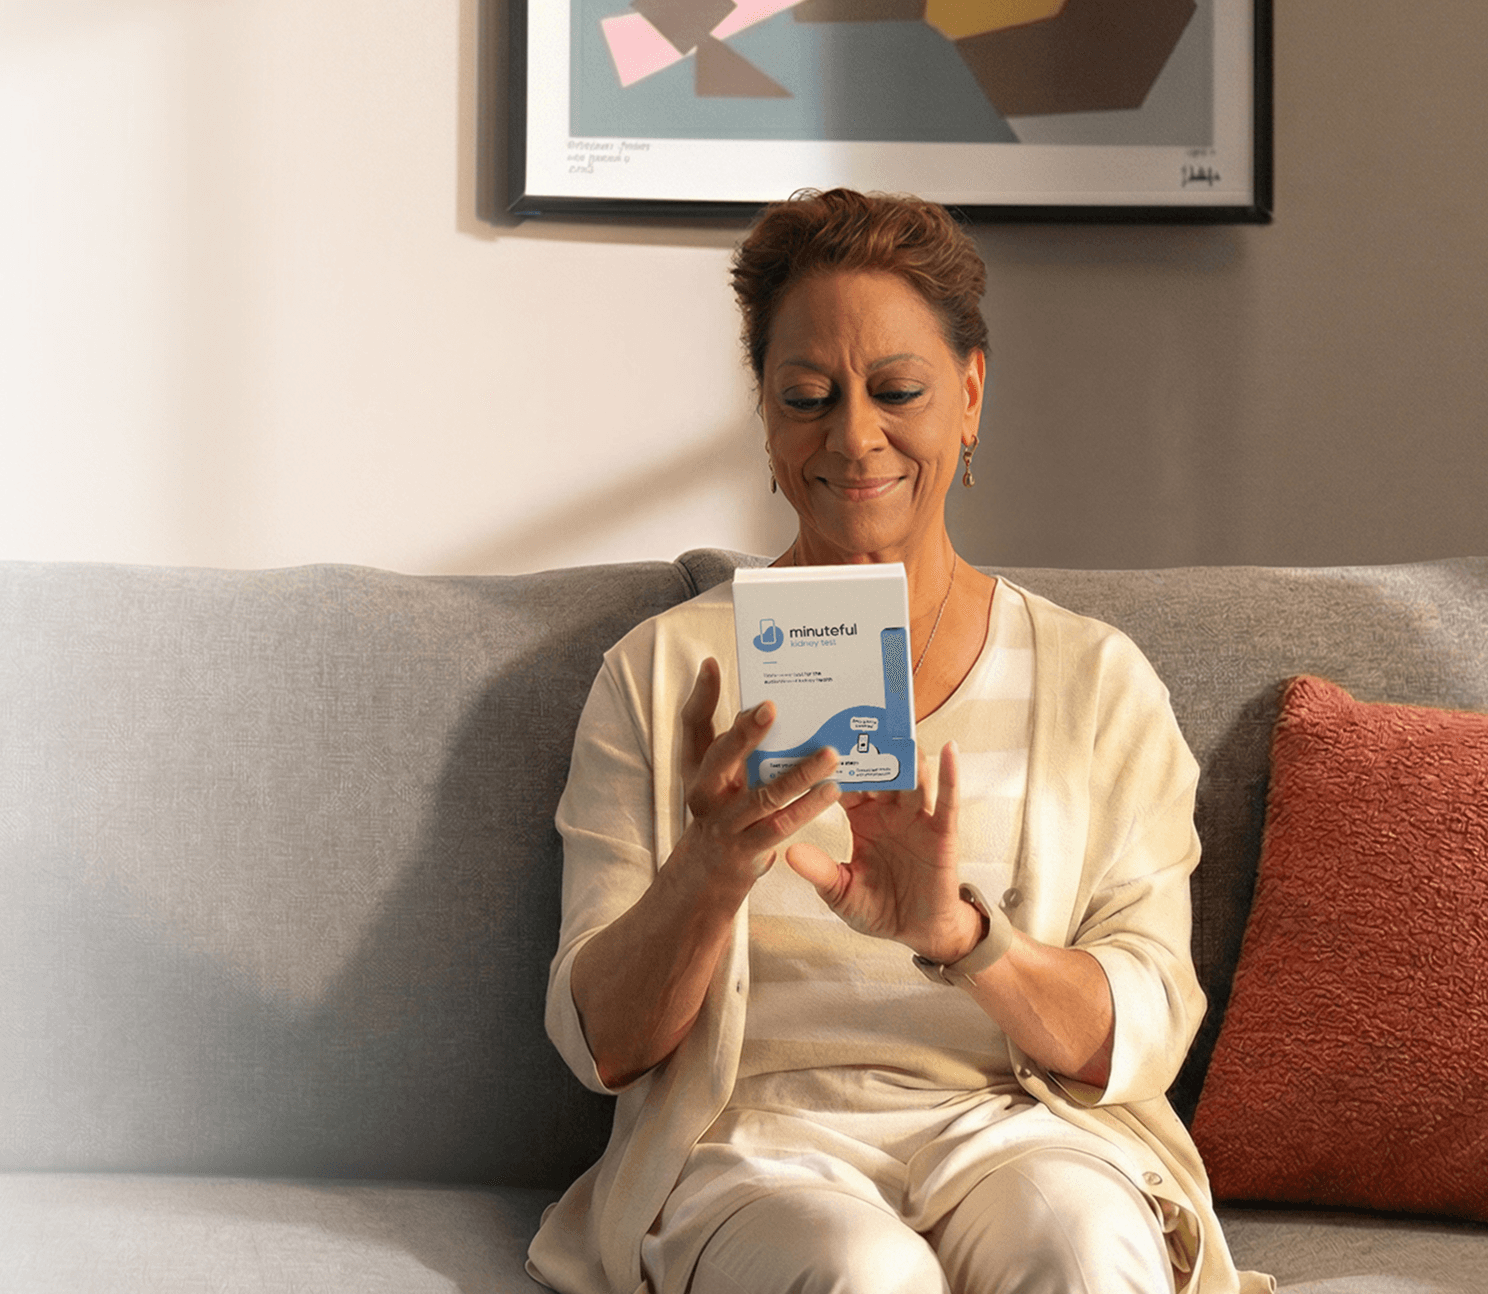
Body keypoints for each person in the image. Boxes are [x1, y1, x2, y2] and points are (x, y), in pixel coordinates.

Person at [524, 189, 1272, 1294]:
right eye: (808, 397)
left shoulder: (1094, 682)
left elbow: (1143, 1026)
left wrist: (964, 935)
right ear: (767, 416)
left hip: (1019, 1129)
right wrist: (710, 869)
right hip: (756, 1147)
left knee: (1076, 1243)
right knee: (857, 1271)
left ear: (968, 396)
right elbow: (603, 1045)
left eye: (897, 391)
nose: (852, 437)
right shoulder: (663, 672)